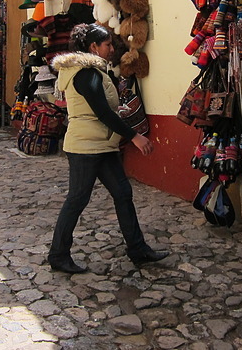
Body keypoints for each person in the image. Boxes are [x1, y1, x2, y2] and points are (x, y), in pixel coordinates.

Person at [48, 23, 168, 273]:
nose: (112, 49)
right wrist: (134, 136)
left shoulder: (92, 71)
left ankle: (137, 248)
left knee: (123, 193)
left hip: (102, 144)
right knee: (77, 199)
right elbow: (102, 112)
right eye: (107, 45)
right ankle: (58, 254)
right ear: (93, 47)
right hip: (85, 146)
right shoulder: (85, 73)